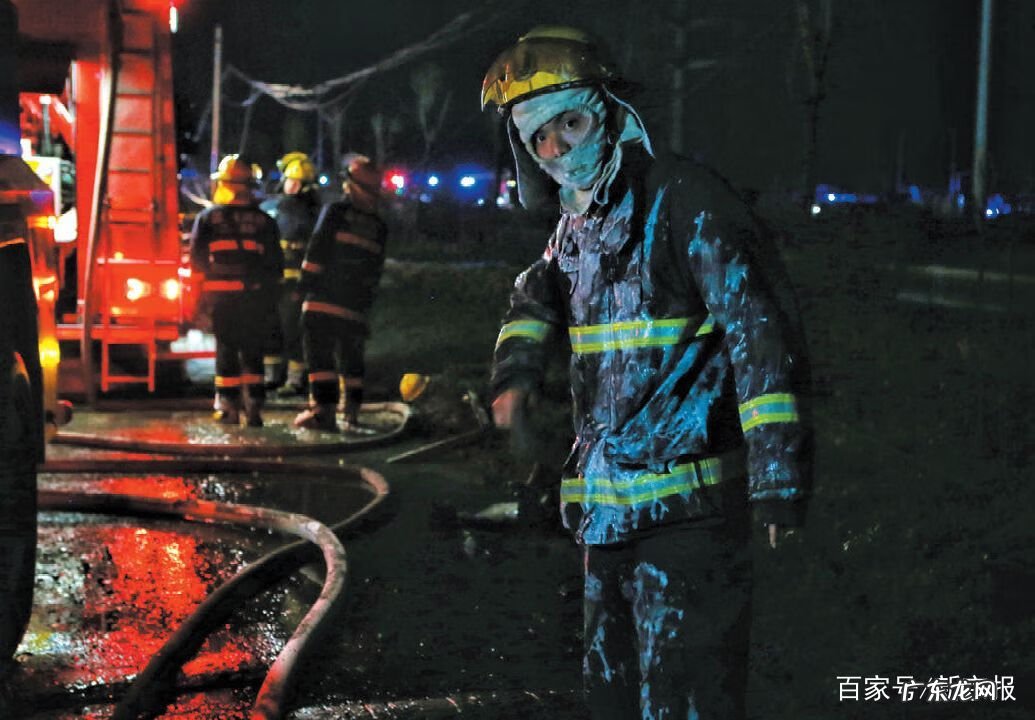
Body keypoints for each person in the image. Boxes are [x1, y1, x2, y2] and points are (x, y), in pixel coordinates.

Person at [481, 27, 812, 719]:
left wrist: (777, 477)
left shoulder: (685, 201)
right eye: (538, 138)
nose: (558, 149)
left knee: (685, 700)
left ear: (607, 112)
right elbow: (531, 302)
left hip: (690, 514)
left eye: (569, 123)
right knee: (611, 698)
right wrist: (513, 381)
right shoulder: (574, 232)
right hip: (606, 515)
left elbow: (758, 329)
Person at [293, 155, 388, 432]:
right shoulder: (379, 226)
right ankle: (352, 413)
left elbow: (317, 251)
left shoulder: (335, 211)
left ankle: (323, 412)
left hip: (322, 300)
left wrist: (302, 288)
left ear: (352, 185)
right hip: (355, 305)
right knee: (351, 356)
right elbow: (375, 269)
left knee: (319, 355)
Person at [190, 154, 283, 427]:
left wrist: (198, 304)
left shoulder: (208, 219)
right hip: (253, 298)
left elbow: (196, 263)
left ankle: (228, 407)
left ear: (225, 184)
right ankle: (254, 407)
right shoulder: (265, 221)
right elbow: (275, 265)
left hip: (221, 299)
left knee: (227, 350)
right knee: (253, 350)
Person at [259, 152, 322, 396]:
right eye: (289, 180)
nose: (291, 185)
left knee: (292, 330)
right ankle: (271, 376)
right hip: (274, 280)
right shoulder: (274, 207)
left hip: (296, 282)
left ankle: (295, 380)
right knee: (271, 327)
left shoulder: (313, 215)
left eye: (297, 182)